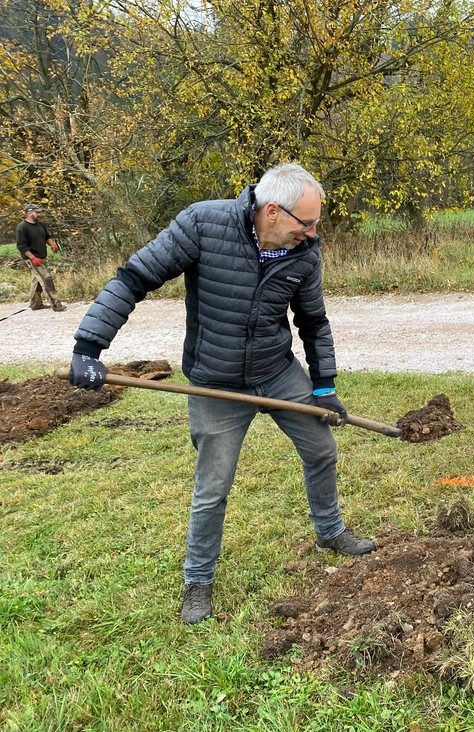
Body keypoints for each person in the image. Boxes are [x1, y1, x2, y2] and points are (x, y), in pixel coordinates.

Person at [68, 163, 376, 625]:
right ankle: (198, 580)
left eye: (316, 224)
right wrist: (88, 347)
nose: (312, 233)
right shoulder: (202, 224)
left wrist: (324, 386)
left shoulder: (304, 252)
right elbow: (134, 278)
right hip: (215, 381)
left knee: (321, 449)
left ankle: (330, 530)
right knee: (213, 488)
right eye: (306, 222)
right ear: (272, 210)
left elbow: (313, 322)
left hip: (276, 371)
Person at [16, 204, 66, 311]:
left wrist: (52, 244)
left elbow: (47, 237)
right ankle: (56, 304)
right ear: (29, 213)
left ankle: (35, 304)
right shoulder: (22, 227)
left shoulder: (40, 225)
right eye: (37, 212)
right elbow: (21, 246)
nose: (39, 214)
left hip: (42, 256)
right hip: (31, 258)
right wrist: (33, 258)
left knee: (37, 280)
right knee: (46, 278)